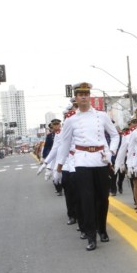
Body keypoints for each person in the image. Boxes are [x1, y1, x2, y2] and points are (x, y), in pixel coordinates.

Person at [55, 82, 119, 250]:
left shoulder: (101, 116)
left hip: (100, 159)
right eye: (80, 94)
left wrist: (111, 152)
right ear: (76, 98)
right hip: (82, 161)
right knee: (87, 199)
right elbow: (64, 144)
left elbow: (115, 135)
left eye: (86, 94)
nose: (83, 97)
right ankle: (91, 235)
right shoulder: (71, 120)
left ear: (89, 96)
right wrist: (59, 167)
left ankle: (102, 229)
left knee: (102, 198)